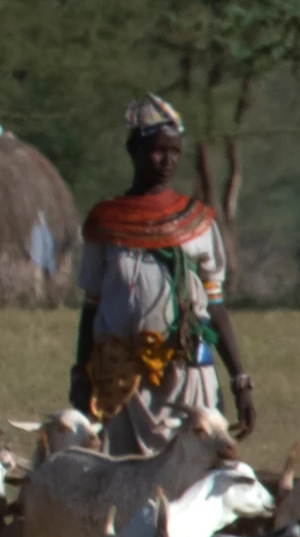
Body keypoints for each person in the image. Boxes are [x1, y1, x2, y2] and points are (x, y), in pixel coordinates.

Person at [68, 95, 256, 448]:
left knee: (190, 477)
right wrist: (81, 374)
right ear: (133, 150)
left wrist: (240, 380)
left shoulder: (196, 222)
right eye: (157, 150)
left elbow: (214, 307)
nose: (167, 160)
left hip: (187, 375)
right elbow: (91, 307)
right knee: (123, 477)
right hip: (123, 381)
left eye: (174, 151)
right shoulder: (105, 223)